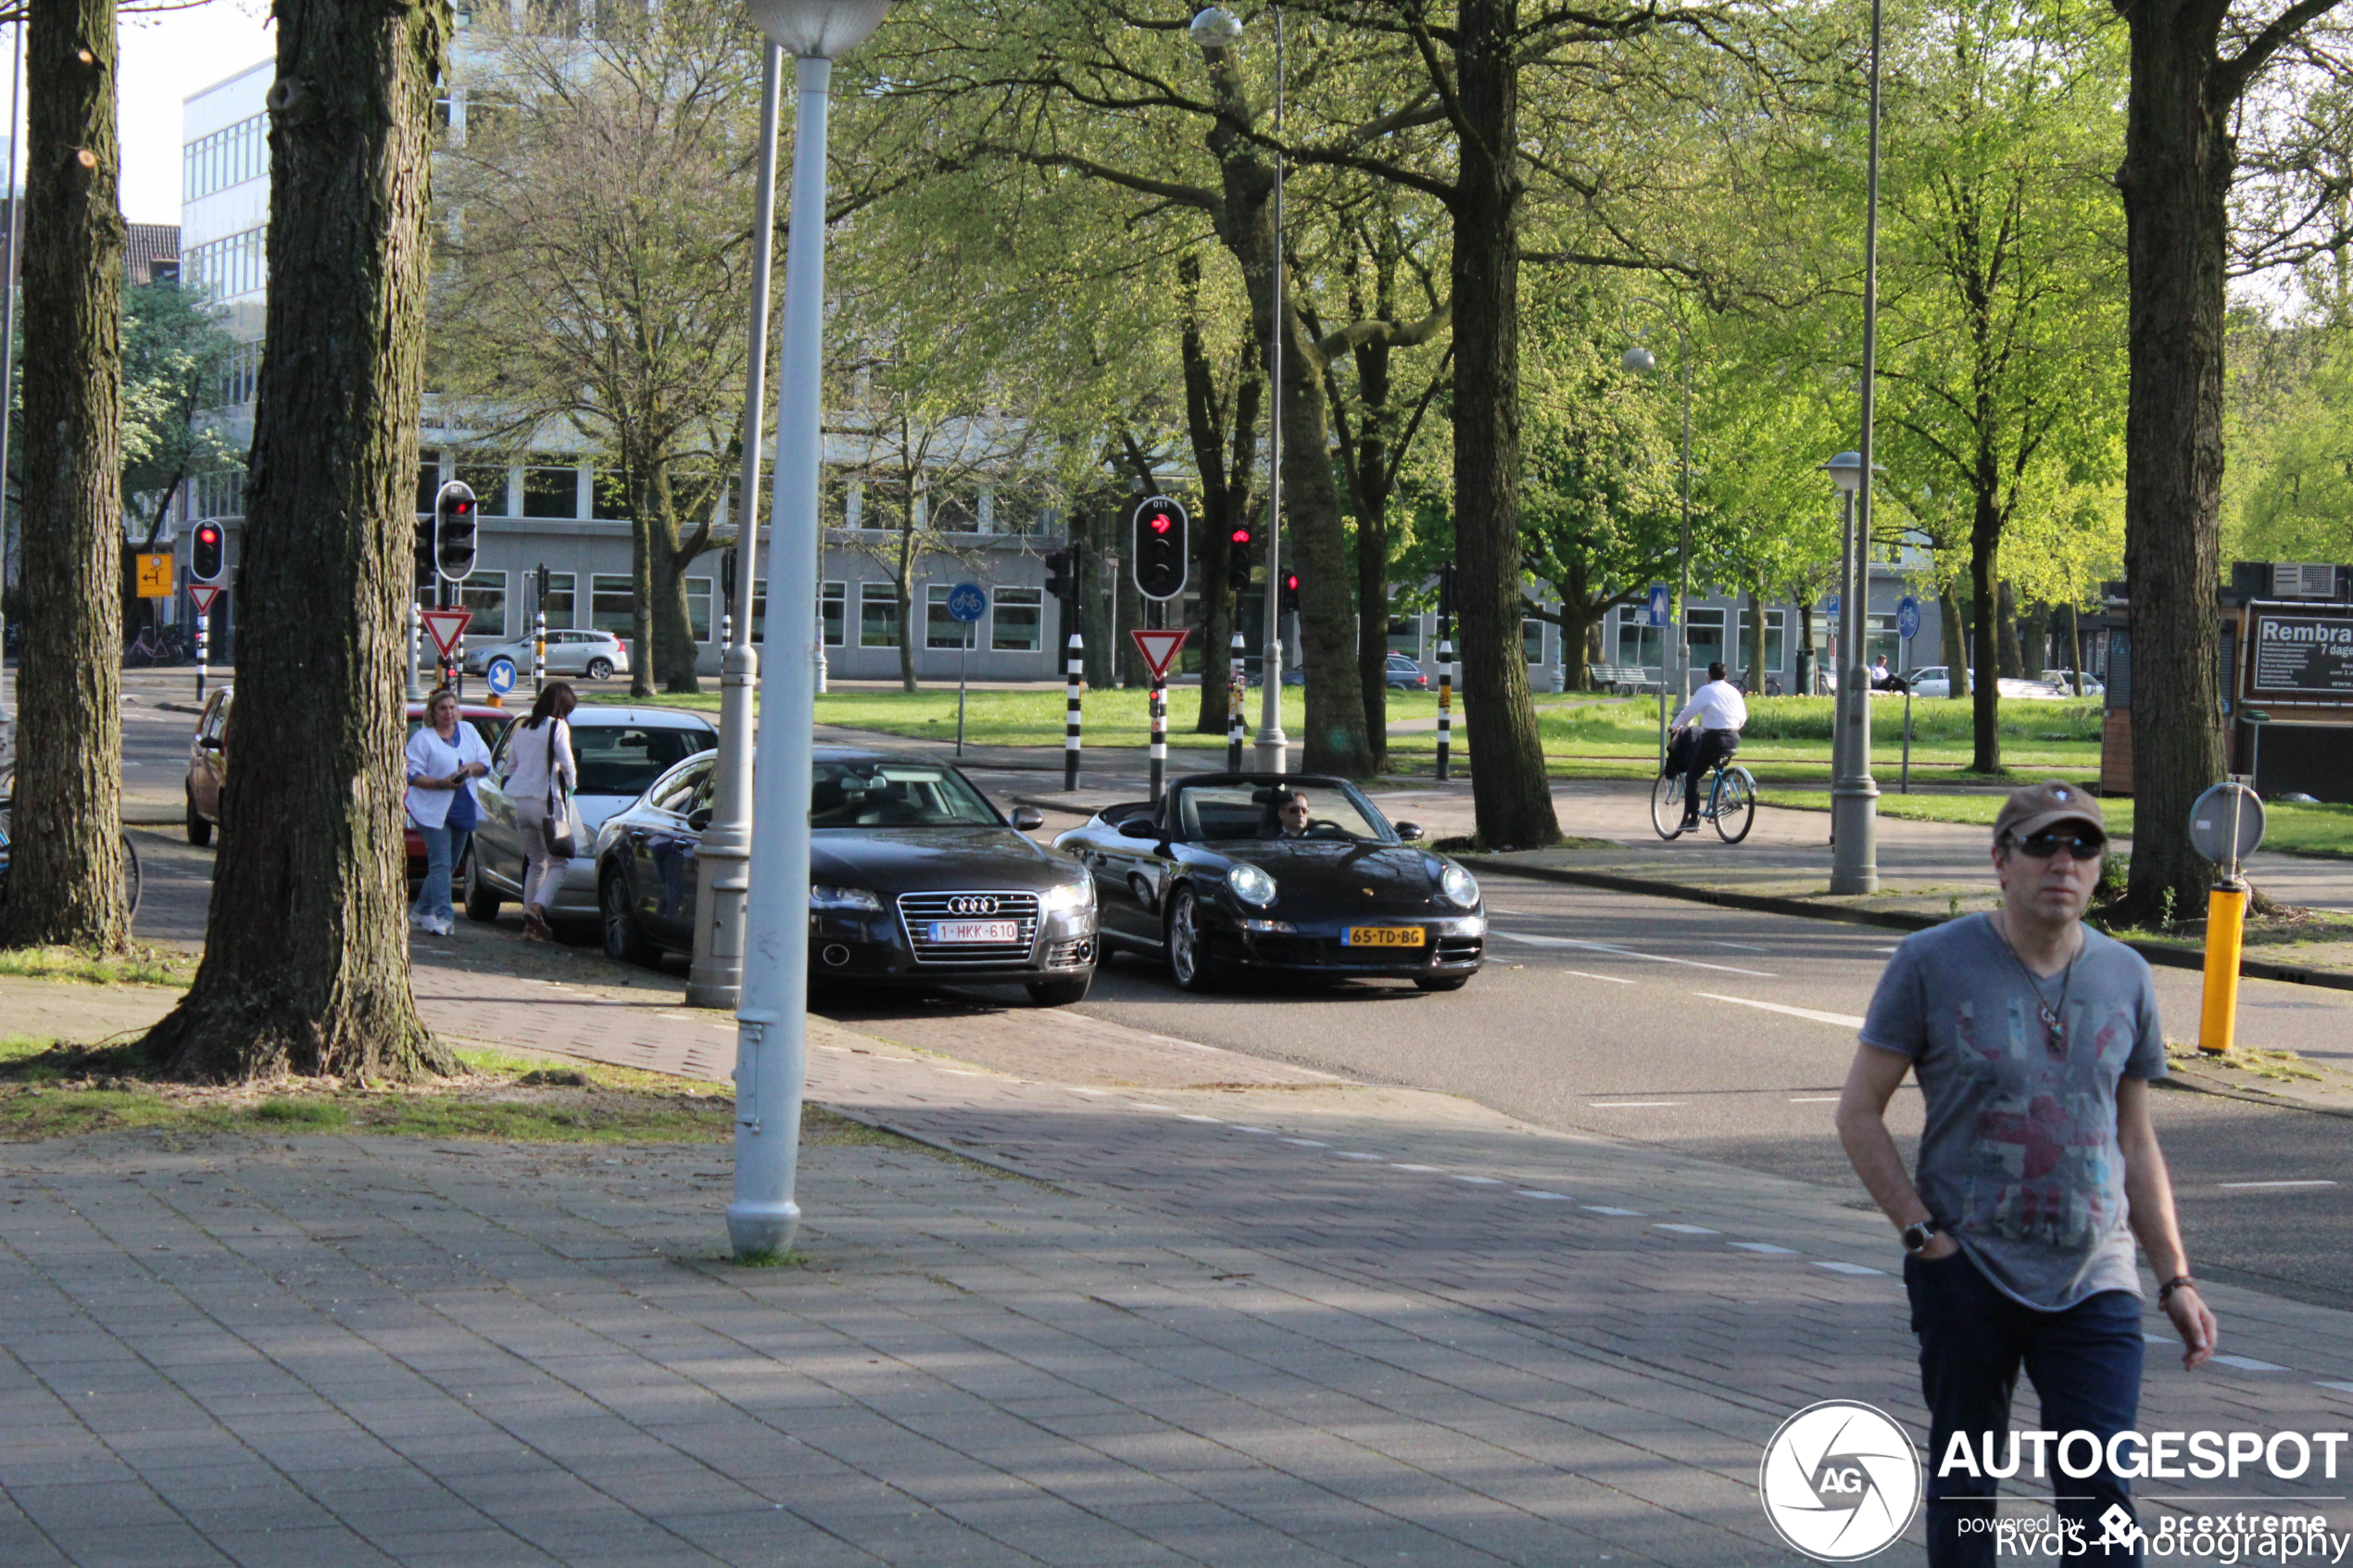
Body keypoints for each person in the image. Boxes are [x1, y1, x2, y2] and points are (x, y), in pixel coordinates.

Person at [1836, 781, 2217, 1565]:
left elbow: (2134, 1138)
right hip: (1968, 1267)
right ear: (2001, 861)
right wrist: (1922, 1234)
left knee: (2102, 1492)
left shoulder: (2127, 975)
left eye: (2083, 846)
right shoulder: (1930, 963)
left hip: (2096, 1274)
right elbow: (1858, 1111)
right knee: (1967, 1483)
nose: (2064, 863)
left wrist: (2175, 1275)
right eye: (2043, 844)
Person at [405, 687, 491, 937]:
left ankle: (421, 910)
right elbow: (412, 775)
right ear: (432, 712)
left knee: (451, 863)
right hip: (432, 809)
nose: (449, 713)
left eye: (452, 707)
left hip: (462, 805)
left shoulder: (468, 731)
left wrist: (469, 769)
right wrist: (441, 783)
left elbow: (485, 762)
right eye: (442, 708)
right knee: (440, 863)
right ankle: (444, 916)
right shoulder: (423, 739)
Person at [500, 681, 578, 942]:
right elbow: (567, 763)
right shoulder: (557, 727)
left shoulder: (523, 728)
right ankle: (536, 909)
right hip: (549, 804)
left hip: (522, 802)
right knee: (560, 863)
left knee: (535, 862)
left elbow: (511, 767)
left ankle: (529, 926)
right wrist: (573, 785)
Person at [1666, 659, 1747, 832]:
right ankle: (1724, 789)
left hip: (1713, 739)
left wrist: (1675, 725)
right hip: (1733, 737)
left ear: (1709, 676)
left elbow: (1689, 712)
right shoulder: (1734, 692)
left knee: (1693, 776)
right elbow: (1742, 718)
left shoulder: (1706, 691)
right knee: (1717, 764)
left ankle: (1694, 819)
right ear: (1725, 676)